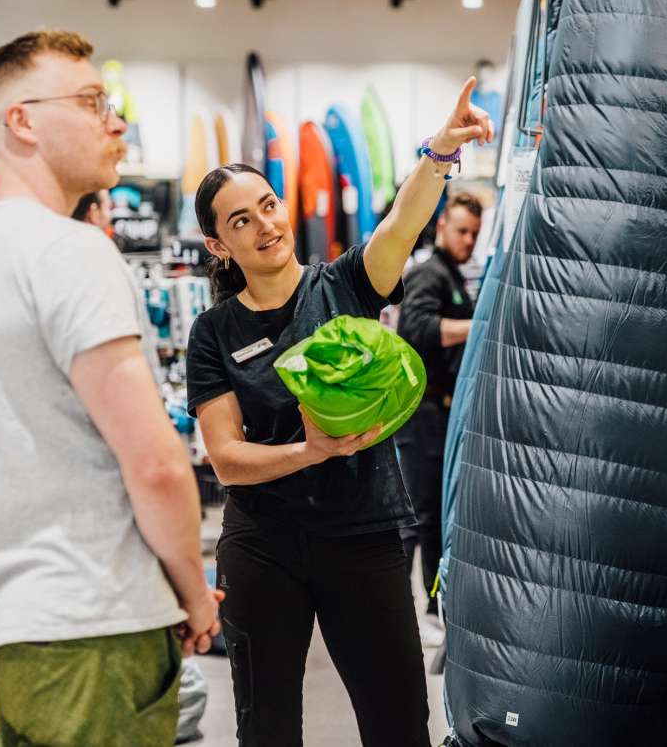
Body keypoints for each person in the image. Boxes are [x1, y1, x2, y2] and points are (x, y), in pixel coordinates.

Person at [0, 30, 222, 747]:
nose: (114, 121)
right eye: (91, 102)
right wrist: (194, 594)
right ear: (21, 120)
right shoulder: (70, 251)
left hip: (10, 629)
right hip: (96, 620)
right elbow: (153, 463)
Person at [186, 78, 493, 747]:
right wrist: (309, 451)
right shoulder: (213, 333)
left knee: (398, 725)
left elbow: (402, 225)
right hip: (263, 547)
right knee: (266, 732)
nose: (265, 225)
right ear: (219, 246)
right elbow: (227, 460)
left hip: (365, 535)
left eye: (267, 206)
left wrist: (440, 151)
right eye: (240, 221)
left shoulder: (344, 284)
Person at [395, 191, 483, 646]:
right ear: (443, 226)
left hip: (438, 413)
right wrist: (480, 323)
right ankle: (404, 609)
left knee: (433, 514)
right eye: (462, 230)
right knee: (420, 514)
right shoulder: (430, 274)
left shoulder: (451, 276)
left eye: (474, 233)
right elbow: (416, 329)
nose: (468, 240)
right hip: (421, 413)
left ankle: (431, 604)